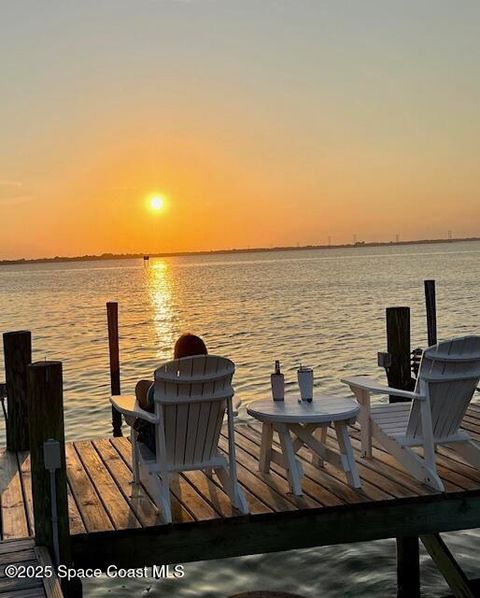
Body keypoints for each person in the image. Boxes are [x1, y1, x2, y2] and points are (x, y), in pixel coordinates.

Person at [134, 333, 208, 453]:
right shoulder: (215, 387)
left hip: (166, 448)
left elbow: (141, 389)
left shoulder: (166, 388)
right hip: (204, 447)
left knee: (147, 399)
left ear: (176, 360)